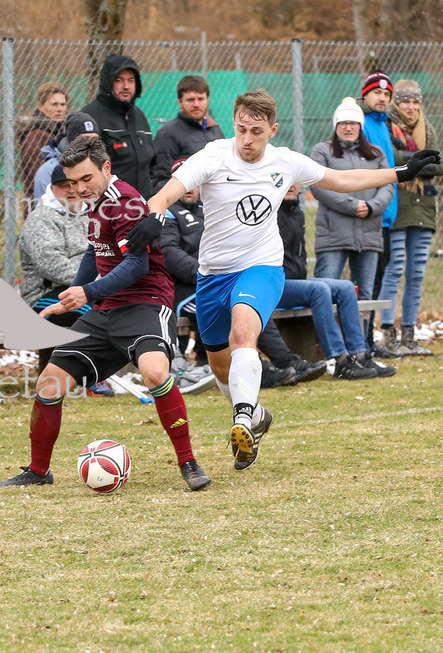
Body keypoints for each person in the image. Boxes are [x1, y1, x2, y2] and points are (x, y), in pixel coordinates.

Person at [125, 89, 438, 471]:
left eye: (256, 131)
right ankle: (254, 416)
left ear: (272, 129)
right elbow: (168, 191)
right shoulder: (214, 155)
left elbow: (341, 179)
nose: (247, 140)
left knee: (245, 333)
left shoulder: (286, 162)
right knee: (221, 366)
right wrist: (154, 213)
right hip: (212, 274)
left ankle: (241, 417)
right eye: (241, 129)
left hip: (261, 266)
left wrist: (401, 171)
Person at [0, 136, 211, 491]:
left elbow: (137, 266)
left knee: (155, 373)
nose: (79, 189)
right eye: (71, 183)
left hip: (146, 302)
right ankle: (38, 471)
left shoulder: (125, 203)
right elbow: (91, 252)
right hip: (106, 308)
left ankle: (188, 462)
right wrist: (73, 295)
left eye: (86, 179)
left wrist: (88, 290)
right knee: (49, 383)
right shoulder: (96, 203)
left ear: (106, 168)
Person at [159, 160, 314, 388]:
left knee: (247, 303)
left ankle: (278, 362)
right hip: (186, 290)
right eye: (185, 183)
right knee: (237, 308)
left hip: (220, 280)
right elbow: (170, 254)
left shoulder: (208, 207)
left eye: (194, 184)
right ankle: (263, 368)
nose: (190, 189)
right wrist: (205, 274)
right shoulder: (167, 213)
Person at [276, 185, 387, 379]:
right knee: (318, 290)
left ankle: (358, 356)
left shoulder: (296, 212)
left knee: (345, 287)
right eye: (284, 180)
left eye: (295, 180)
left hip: (296, 281)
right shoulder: (268, 214)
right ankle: (340, 361)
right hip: (273, 285)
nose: (291, 186)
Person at [309, 98, 393, 307]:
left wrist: (373, 206)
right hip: (333, 236)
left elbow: (388, 184)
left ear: (360, 126)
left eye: (353, 123)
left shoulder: (376, 153)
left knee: (365, 297)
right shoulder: (322, 151)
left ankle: (361, 340)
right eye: (343, 123)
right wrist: (352, 205)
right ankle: (325, 340)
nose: (348, 128)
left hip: (369, 235)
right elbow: (318, 186)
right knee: (324, 292)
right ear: (336, 125)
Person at [380, 79, 441, 356]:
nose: (411, 106)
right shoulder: (385, 126)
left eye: (415, 101)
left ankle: (409, 336)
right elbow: (389, 159)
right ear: (396, 102)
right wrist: (417, 162)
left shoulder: (427, 128)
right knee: (394, 271)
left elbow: (438, 163)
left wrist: (410, 164)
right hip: (397, 207)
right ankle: (388, 336)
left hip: (425, 208)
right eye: (405, 101)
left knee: (416, 274)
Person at [358, 71, 401, 359]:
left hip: (386, 217)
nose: (382, 98)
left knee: (378, 280)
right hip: (367, 216)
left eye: (386, 94)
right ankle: (359, 342)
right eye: (377, 93)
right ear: (366, 95)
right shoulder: (360, 124)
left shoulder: (386, 126)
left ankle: (368, 340)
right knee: (366, 282)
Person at [19, 164, 90, 327]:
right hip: (45, 297)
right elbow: (53, 266)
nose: (70, 190)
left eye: (73, 184)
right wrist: (97, 282)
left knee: (129, 307)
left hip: (85, 289)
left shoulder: (91, 213)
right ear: (52, 188)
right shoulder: (40, 219)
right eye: (63, 186)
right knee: (97, 314)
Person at [81, 53, 156, 197]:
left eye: (131, 80)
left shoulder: (139, 116)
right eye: (119, 80)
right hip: (110, 207)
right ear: (109, 82)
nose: (126, 86)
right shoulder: (91, 117)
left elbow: (152, 164)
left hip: (144, 205)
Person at [152, 75, 224, 188]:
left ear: (207, 100)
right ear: (180, 102)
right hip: (186, 203)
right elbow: (161, 180)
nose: (196, 104)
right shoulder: (167, 133)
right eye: (190, 99)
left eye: (200, 99)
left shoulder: (216, 131)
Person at [18, 82, 67, 207]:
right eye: (54, 104)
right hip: (41, 204)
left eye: (63, 104)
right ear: (40, 106)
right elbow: (39, 175)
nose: (60, 109)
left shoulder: (61, 133)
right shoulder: (34, 136)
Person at [32, 112, 99, 203]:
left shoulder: (100, 166)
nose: (90, 144)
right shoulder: (49, 169)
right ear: (71, 140)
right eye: (85, 138)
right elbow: (42, 207)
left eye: (94, 139)